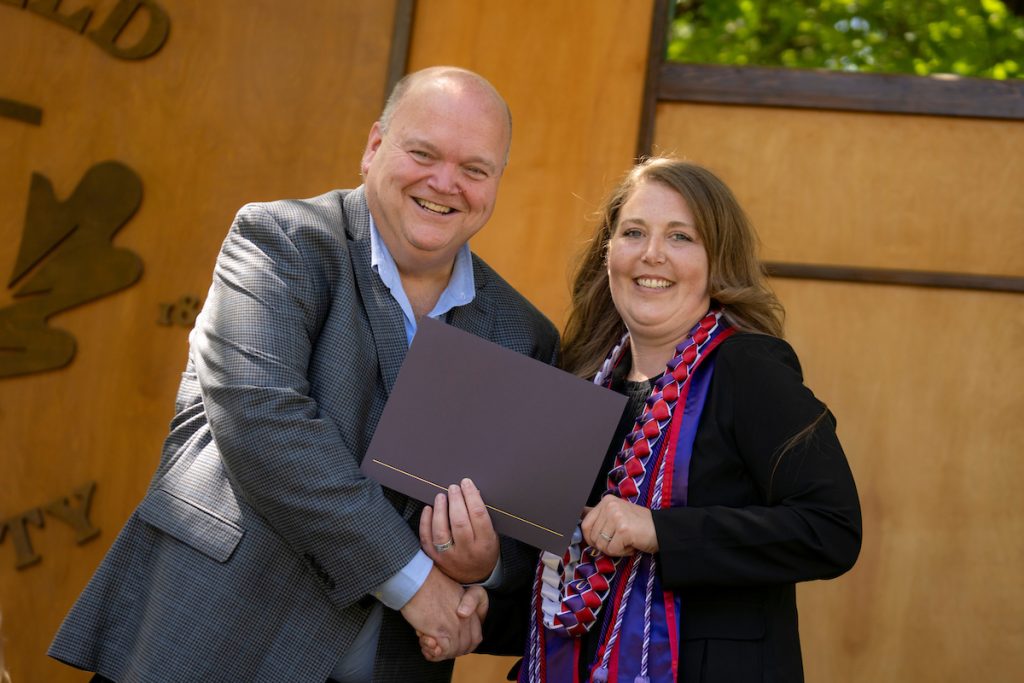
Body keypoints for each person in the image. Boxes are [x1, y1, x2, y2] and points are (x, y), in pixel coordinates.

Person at [48, 66, 558, 683]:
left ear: (496, 181)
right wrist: (416, 582)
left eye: (474, 169)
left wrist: (484, 566)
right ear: (374, 148)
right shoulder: (279, 241)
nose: (445, 183)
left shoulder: (523, 334)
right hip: (212, 644)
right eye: (422, 153)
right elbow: (264, 423)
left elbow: (521, 538)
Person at [421, 157, 861, 682]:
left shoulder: (749, 370)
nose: (653, 254)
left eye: (681, 237)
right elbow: (573, 593)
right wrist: (476, 613)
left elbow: (830, 528)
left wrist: (659, 530)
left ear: (716, 260)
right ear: (609, 252)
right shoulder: (581, 385)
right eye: (634, 232)